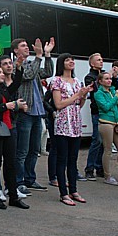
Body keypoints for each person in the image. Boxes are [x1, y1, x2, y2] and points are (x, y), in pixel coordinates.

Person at [0, 64, 30, 210]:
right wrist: (6, 106)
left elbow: (16, 83)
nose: (3, 75)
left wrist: (19, 68)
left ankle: (13, 196)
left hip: (7, 129)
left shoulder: (3, 90)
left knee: (11, 163)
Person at [12, 37, 54, 192]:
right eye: (23, 46)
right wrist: (38, 56)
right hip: (25, 112)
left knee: (34, 149)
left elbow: (48, 72)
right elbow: (27, 75)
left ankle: (30, 179)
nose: (27, 48)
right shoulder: (16, 66)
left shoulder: (32, 64)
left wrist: (47, 54)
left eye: (26, 45)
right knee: (22, 150)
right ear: (16, 50)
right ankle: (19, 181)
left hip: (37, 113)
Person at [51, 53, 91, 206]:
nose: (71, 62)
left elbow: (79, 104)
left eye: (72, 59)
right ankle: (63, 193)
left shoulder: (77, 81)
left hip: (75, 121)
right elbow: (58, 104)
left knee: (73, 159)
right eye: (67, 60)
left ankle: (73, 189)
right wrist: (77, 95)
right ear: (62, 63)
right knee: (62, 158)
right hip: (62, 122)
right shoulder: (56, 81)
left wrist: (84, 96)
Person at [84, 53, 105, 180]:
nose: (101, 61)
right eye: (98, 60)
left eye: (102, 60)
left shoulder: (104, 75)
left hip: (106, 112)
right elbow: (96, 93)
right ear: (92, 63)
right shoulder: (90, 77)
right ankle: (89, 168)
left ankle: (99, 167)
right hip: (97, 111)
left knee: (103, 141)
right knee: (96, 140)